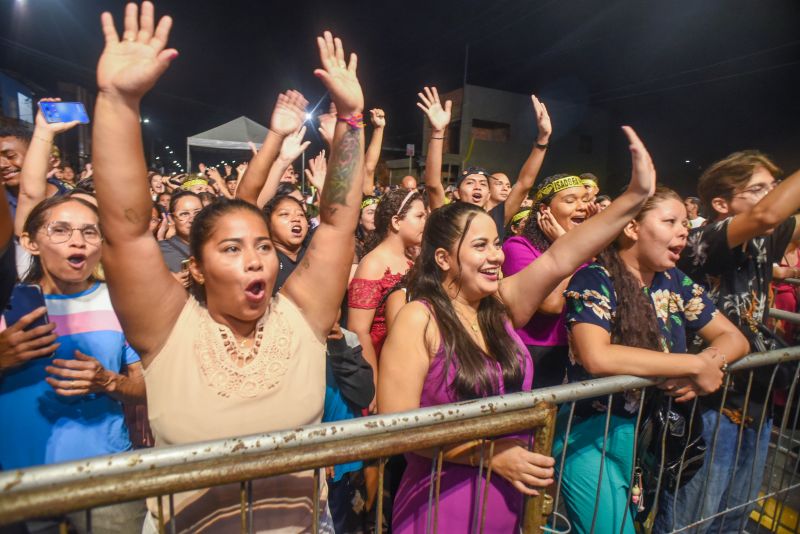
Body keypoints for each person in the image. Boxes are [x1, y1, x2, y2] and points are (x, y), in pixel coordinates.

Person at [91, 4, 364, 529]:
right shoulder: (167, 329)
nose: (256, 258)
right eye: (231, 249)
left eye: (262, 245)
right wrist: (119, 102)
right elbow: (124, 230)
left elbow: (335, 225)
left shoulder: (301, 316)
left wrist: (351, 121)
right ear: (195, 268)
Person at [379, 126, 658, 532]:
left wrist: (635, 197)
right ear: (442, 258)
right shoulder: (418, 318)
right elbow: (394, 427)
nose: (496, 256)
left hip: (509, 497)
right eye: (480, 246)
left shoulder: (500, 307)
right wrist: (488, 454)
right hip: (441, 501)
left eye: (496, 244)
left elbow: (562, 256)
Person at [557, 187, 748, 534]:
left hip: (650, 437)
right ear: (632, 228)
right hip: (590, 437)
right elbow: (596, 355)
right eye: (670, 221)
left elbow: (734, 338)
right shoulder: (595, 278)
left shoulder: (675, 282)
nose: (683, 232)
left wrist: (707, 360)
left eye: (686, 224)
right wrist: (691, 367)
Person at [662, 150, 800, 533]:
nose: (771, 196)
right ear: (722, 203)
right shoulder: (704, 239)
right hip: (709, 401)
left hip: (754, 394)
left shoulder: (764, 242)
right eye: (758, 189)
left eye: (775, 187)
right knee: (694, 516)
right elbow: (766, 214)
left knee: (736, 513)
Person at [1, 195, 147, 532]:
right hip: (19, 482)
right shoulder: (7, 304)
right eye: (61, 230)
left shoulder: (119, 302)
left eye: (89, 232)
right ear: (30, 242)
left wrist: (109, 382)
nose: (77, 241)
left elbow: (145, 386)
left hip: (107, 477)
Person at [419, 87, 552, 240]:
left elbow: (524, 184)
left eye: (483, 184)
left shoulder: (496, 218)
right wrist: (437, 131)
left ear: (488, 194)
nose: (477, 187)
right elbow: (433, 184)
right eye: (470, 182)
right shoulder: (447, 217)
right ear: (456, 193)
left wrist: (543, 138)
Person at [502, 174, 589, 388]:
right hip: (533, 352)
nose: (582, 207)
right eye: (570, 200)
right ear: (544, 210)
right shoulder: (518, 247)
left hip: (575, 350)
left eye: (585, 200)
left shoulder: (586, 251)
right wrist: (565, 246)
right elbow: (551, 304)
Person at [348, 189, 426, 402]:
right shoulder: (373, 263)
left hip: (411, 358)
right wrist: (372, 381)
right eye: (419, 216)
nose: (425, 222)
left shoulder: (412, 260)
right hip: (382, 359)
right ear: (396, 221)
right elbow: (358, 329)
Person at [158, 191, 202, 283]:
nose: (192, 219)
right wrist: (167, 284)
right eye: (184, 214)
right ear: (172, 218)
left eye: (198, 213)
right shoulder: (159, 252)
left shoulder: (216, 246)